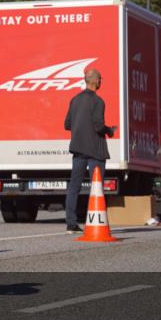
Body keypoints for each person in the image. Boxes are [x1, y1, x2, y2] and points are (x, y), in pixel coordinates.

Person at [63, 68, 115, 234]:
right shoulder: (98, 102)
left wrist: (80, 126)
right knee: (97, 187)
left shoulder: (74, 99)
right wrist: (109, 130)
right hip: (95, 150)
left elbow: (67, 124)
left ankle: (71, 224)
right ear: (96, 81)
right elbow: (98, 126)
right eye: (100, 79)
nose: (101, 82)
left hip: (78, 149)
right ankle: (97, 221)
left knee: (74, 187)